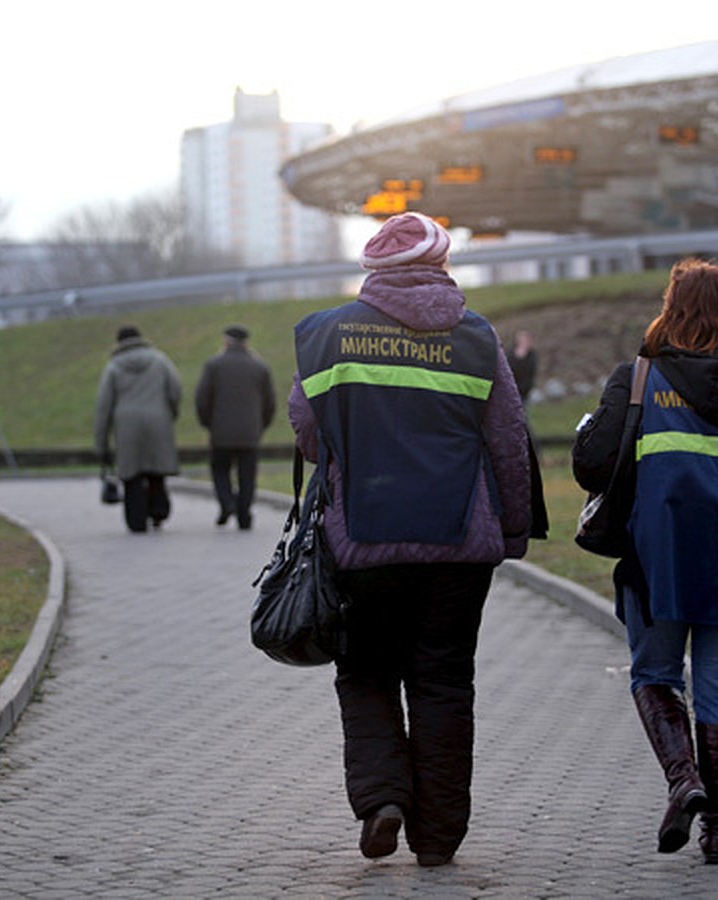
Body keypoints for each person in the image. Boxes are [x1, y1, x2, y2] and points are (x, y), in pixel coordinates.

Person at [287, 212, 535, 867]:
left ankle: (382, 801)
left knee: (366, 672)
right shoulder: (476, 337)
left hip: (362, 541)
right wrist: (510, 530)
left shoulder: (327, 335)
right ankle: (440, 838)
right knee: (444, 683)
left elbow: (309, 434)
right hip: (459, 545)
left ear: (374, 269)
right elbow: (508, 439)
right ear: (441, 265)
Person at [571, 258, 718, 864]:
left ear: (673, 310)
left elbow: (591, 466)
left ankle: (683, 780)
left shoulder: (640, 378)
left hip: (659, 562)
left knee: (656, 675)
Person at [93, 325, 183, 533]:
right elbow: (175, 389)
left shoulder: (113, 367)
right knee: (156, 470)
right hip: (157, 420)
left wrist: (101, 443)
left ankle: (136, 521)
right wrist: (170, 412)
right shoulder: (160, 360)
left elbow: (103, 407)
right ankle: (159, 510)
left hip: (126, 426)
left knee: (131, 475)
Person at [194, 324, 276, 530]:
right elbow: (270, 402)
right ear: (246, 342)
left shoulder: (213, 365)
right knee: (247, 475)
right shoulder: (260, 367)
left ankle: (227, 502)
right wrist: (261, 425)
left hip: (220, 431)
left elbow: (202, 399)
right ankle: (244, 515)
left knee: (220, 469)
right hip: (250, 432)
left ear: (226, 341)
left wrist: (208, 422)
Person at [506, 329, 537, 403]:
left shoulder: (532, 355)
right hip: (511, 388)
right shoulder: (510, 354)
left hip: (525, 389)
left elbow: (531, 371)